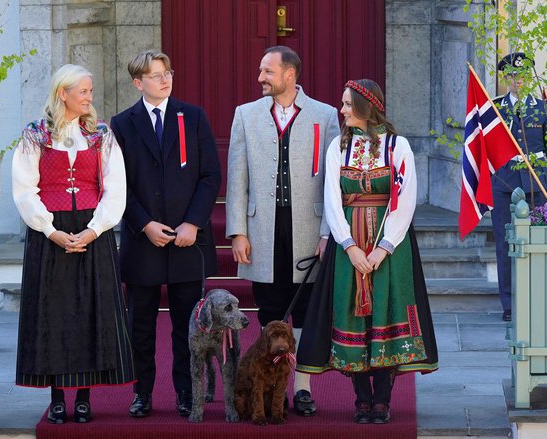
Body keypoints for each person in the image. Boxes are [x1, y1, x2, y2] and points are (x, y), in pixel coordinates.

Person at [295, 79, 438, 424]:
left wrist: (382, 249)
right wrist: (349, 247)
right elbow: (332, 200)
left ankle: (383, 401)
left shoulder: (396, 146)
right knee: (352, 314)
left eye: (347, 104)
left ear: (365, 106)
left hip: (391, 247)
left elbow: (404, 200)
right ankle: (361, 399)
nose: (341, 110)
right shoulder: (337, 148)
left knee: (385, 314)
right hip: (350, 246)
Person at [12, 64, 135, 424]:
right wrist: (49, 230)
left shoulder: (100, 135)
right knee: (53, 314)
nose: (89, 97)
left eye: (90, 90)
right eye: (83, 91)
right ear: (62, 93)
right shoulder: (35, 135)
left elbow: (116, 188)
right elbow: (24, 189)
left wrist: (95, 230)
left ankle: (83, 397)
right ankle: (57, 398)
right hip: (49, 234)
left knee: (90, 312)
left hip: (91, 231)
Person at [225, 45, 340, 416]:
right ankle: (266, 386)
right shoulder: (246, 115)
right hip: (262, 228)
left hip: (309, 226)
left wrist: (327, 232)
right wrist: (237, 231)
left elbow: (333, 183)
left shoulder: (325, 115)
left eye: (267, 72)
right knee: (270, 308)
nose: (260, 78)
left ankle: (302, 388)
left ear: (289, 74)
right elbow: (236, 178)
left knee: (305, 311)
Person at [110, 50, 221, 418]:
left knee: (185, 327)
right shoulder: (122, 124)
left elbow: (209, 175)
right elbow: (117, 184)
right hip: (143, 241)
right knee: (139, 325)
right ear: (138, 83)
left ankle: (186, 393)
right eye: (155, 75)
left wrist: (193, 222)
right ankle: (142, 393)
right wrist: (143, 223)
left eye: (167, 72)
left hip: (187, 240)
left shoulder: (193, 116)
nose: (164, 79)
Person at [492, 52, 547, 322]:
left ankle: (538, 296)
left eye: (524, 74)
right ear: (505, 78)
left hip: (537, 180)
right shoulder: (494, 109)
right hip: (505, 180)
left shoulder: (544, 108)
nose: (519, 80)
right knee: (505, 243)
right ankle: (510, 302)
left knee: (539, 239)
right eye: (513, 76)